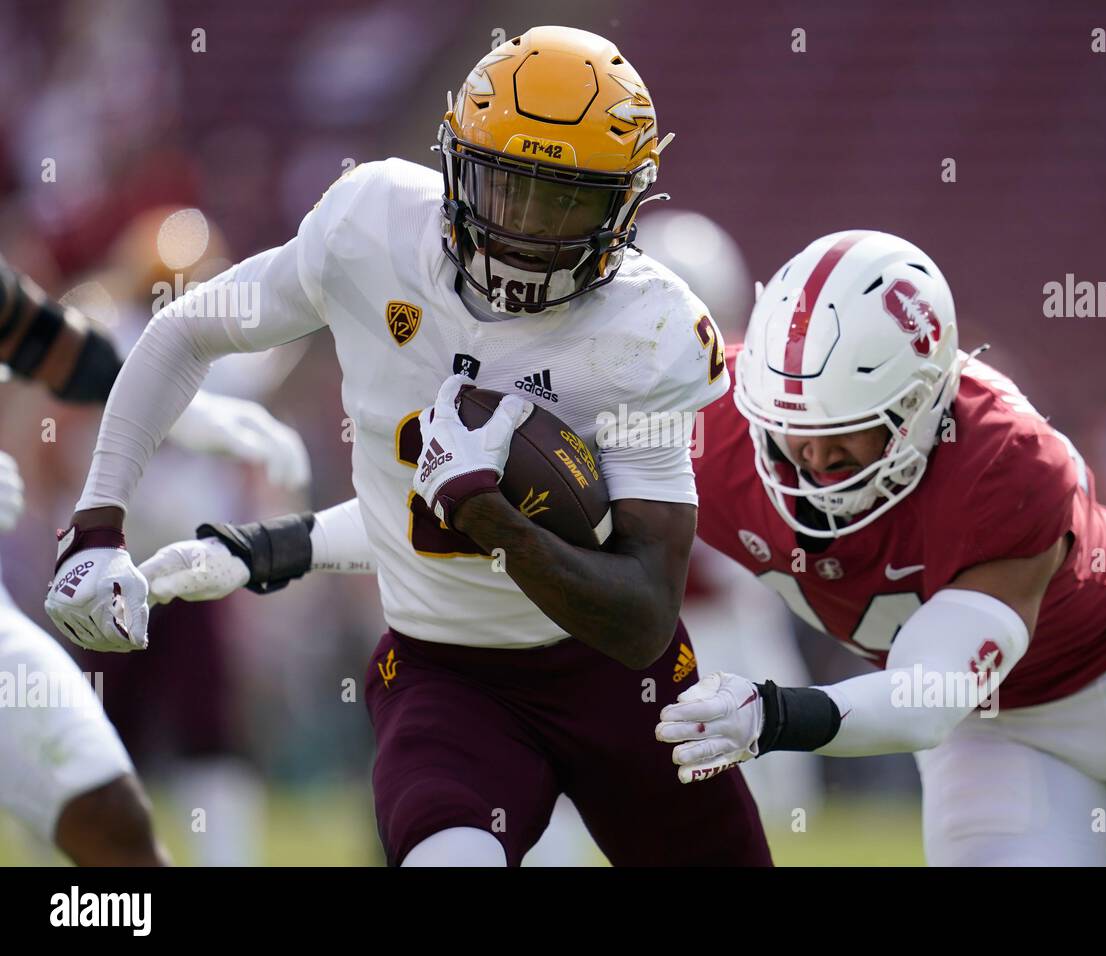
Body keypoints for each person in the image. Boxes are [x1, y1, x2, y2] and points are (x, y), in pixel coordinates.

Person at [44, 26, 769, 867]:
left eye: (565, 200)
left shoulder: (649, 330)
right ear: (456, 167)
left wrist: (493, 520)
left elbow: (643, 616)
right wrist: (98, 521)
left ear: (625, 207)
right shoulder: (374, 227)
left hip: (616, 681)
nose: (528, 231)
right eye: (508, 189)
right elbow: (186, 332)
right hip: (446, 677)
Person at [652, 229, 1106, 865]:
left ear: (921, 407)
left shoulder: (1006, 463)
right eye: (790, 430)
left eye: (847, 431)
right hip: (997, 724)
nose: (814, 458)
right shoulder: (705, 418)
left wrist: (770, 713)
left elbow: (925, 696)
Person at [0, 255, 306, 864]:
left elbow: (43, 337)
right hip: (107, 561)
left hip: (178, 562)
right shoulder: (120, 315)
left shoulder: (193, 349)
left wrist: (184, 412)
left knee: (112, 787)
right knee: (113, 722)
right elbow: (44, 431)